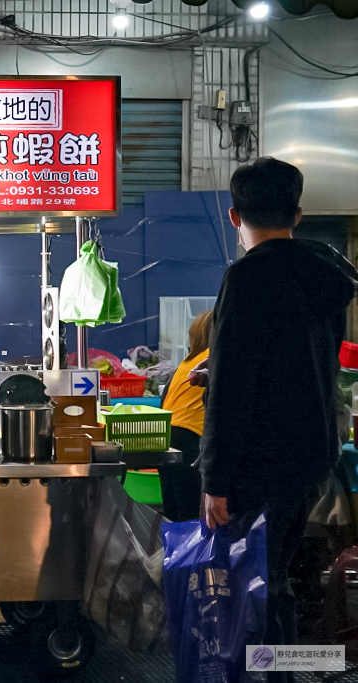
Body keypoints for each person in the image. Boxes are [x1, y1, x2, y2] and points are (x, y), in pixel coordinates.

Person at [199, 157, 357, 681]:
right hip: (312, 457)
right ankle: (288, 671)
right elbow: (305, 360)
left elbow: (234, 386)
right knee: (277, 581)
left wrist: (215, 480)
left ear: (233, 215)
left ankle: (275, 674)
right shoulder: (324, 275)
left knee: (257, 587)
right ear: (298, 213)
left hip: (259, 463)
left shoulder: (245, 278)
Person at [157, 309, 212, 522]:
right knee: (190, 517)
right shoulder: (212, 358)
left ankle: (174, 555)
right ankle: (192, 556)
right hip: (190, 440)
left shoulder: (188, 363)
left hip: (167, 439)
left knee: (173, 515)